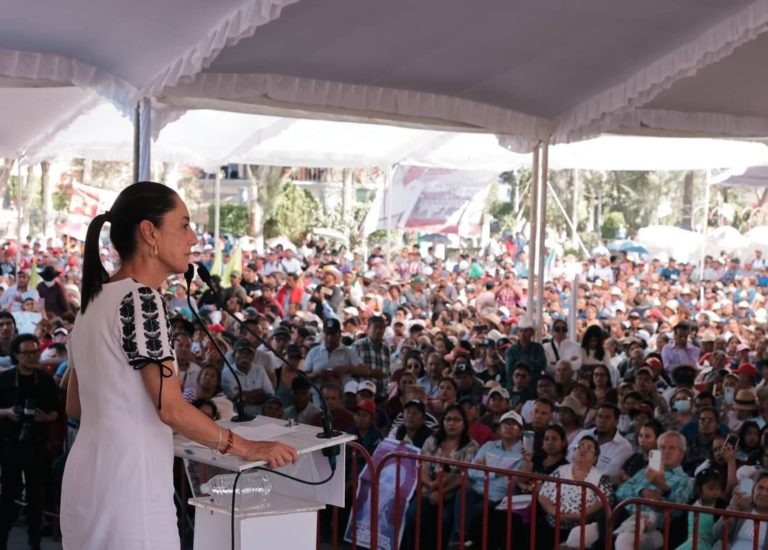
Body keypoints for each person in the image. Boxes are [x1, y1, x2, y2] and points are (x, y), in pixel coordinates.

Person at [60, 182, 298, 550]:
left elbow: (76, 406)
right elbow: (169, 407)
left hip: (86, 482)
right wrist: (247, 448)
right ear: (149, 232)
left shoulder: (93, 301)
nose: (193, 237)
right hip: (130, 488)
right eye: (184, 224)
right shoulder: (141, 299)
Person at [0, 334, 59, 550]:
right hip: (10, 445)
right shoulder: (5, 379)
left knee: (36, 499)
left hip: (36, 444)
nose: (33, 356)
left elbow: (55, 412)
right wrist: (7, 412)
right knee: (7, 497)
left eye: (35, 352)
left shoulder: (44, 379)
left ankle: (35, 544)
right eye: (28, 353)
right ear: (16, 354)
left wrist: (45, 417)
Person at [614, 431, 694, 549]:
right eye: (662, 447)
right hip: (626, 517)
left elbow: (678, 509)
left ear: (682, 453)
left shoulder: (685, 480)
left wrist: (662, 486)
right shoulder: (645, 471)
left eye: (672, 448)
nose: (666, 451)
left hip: (656, 529)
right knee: (579, 532)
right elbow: (621, 491)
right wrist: (642, 491)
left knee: (624, 539)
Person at [538, 435, 613, 549]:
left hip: (580, 528)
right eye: (580, 446)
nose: (583, 450)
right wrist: (552, 510)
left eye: (589, 448)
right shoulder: (561, 470)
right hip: (551, 523)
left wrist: (580, 515)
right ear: (573, 452)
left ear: (594, 458)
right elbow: (543, 494)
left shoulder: (601, 478)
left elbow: (604, 501)